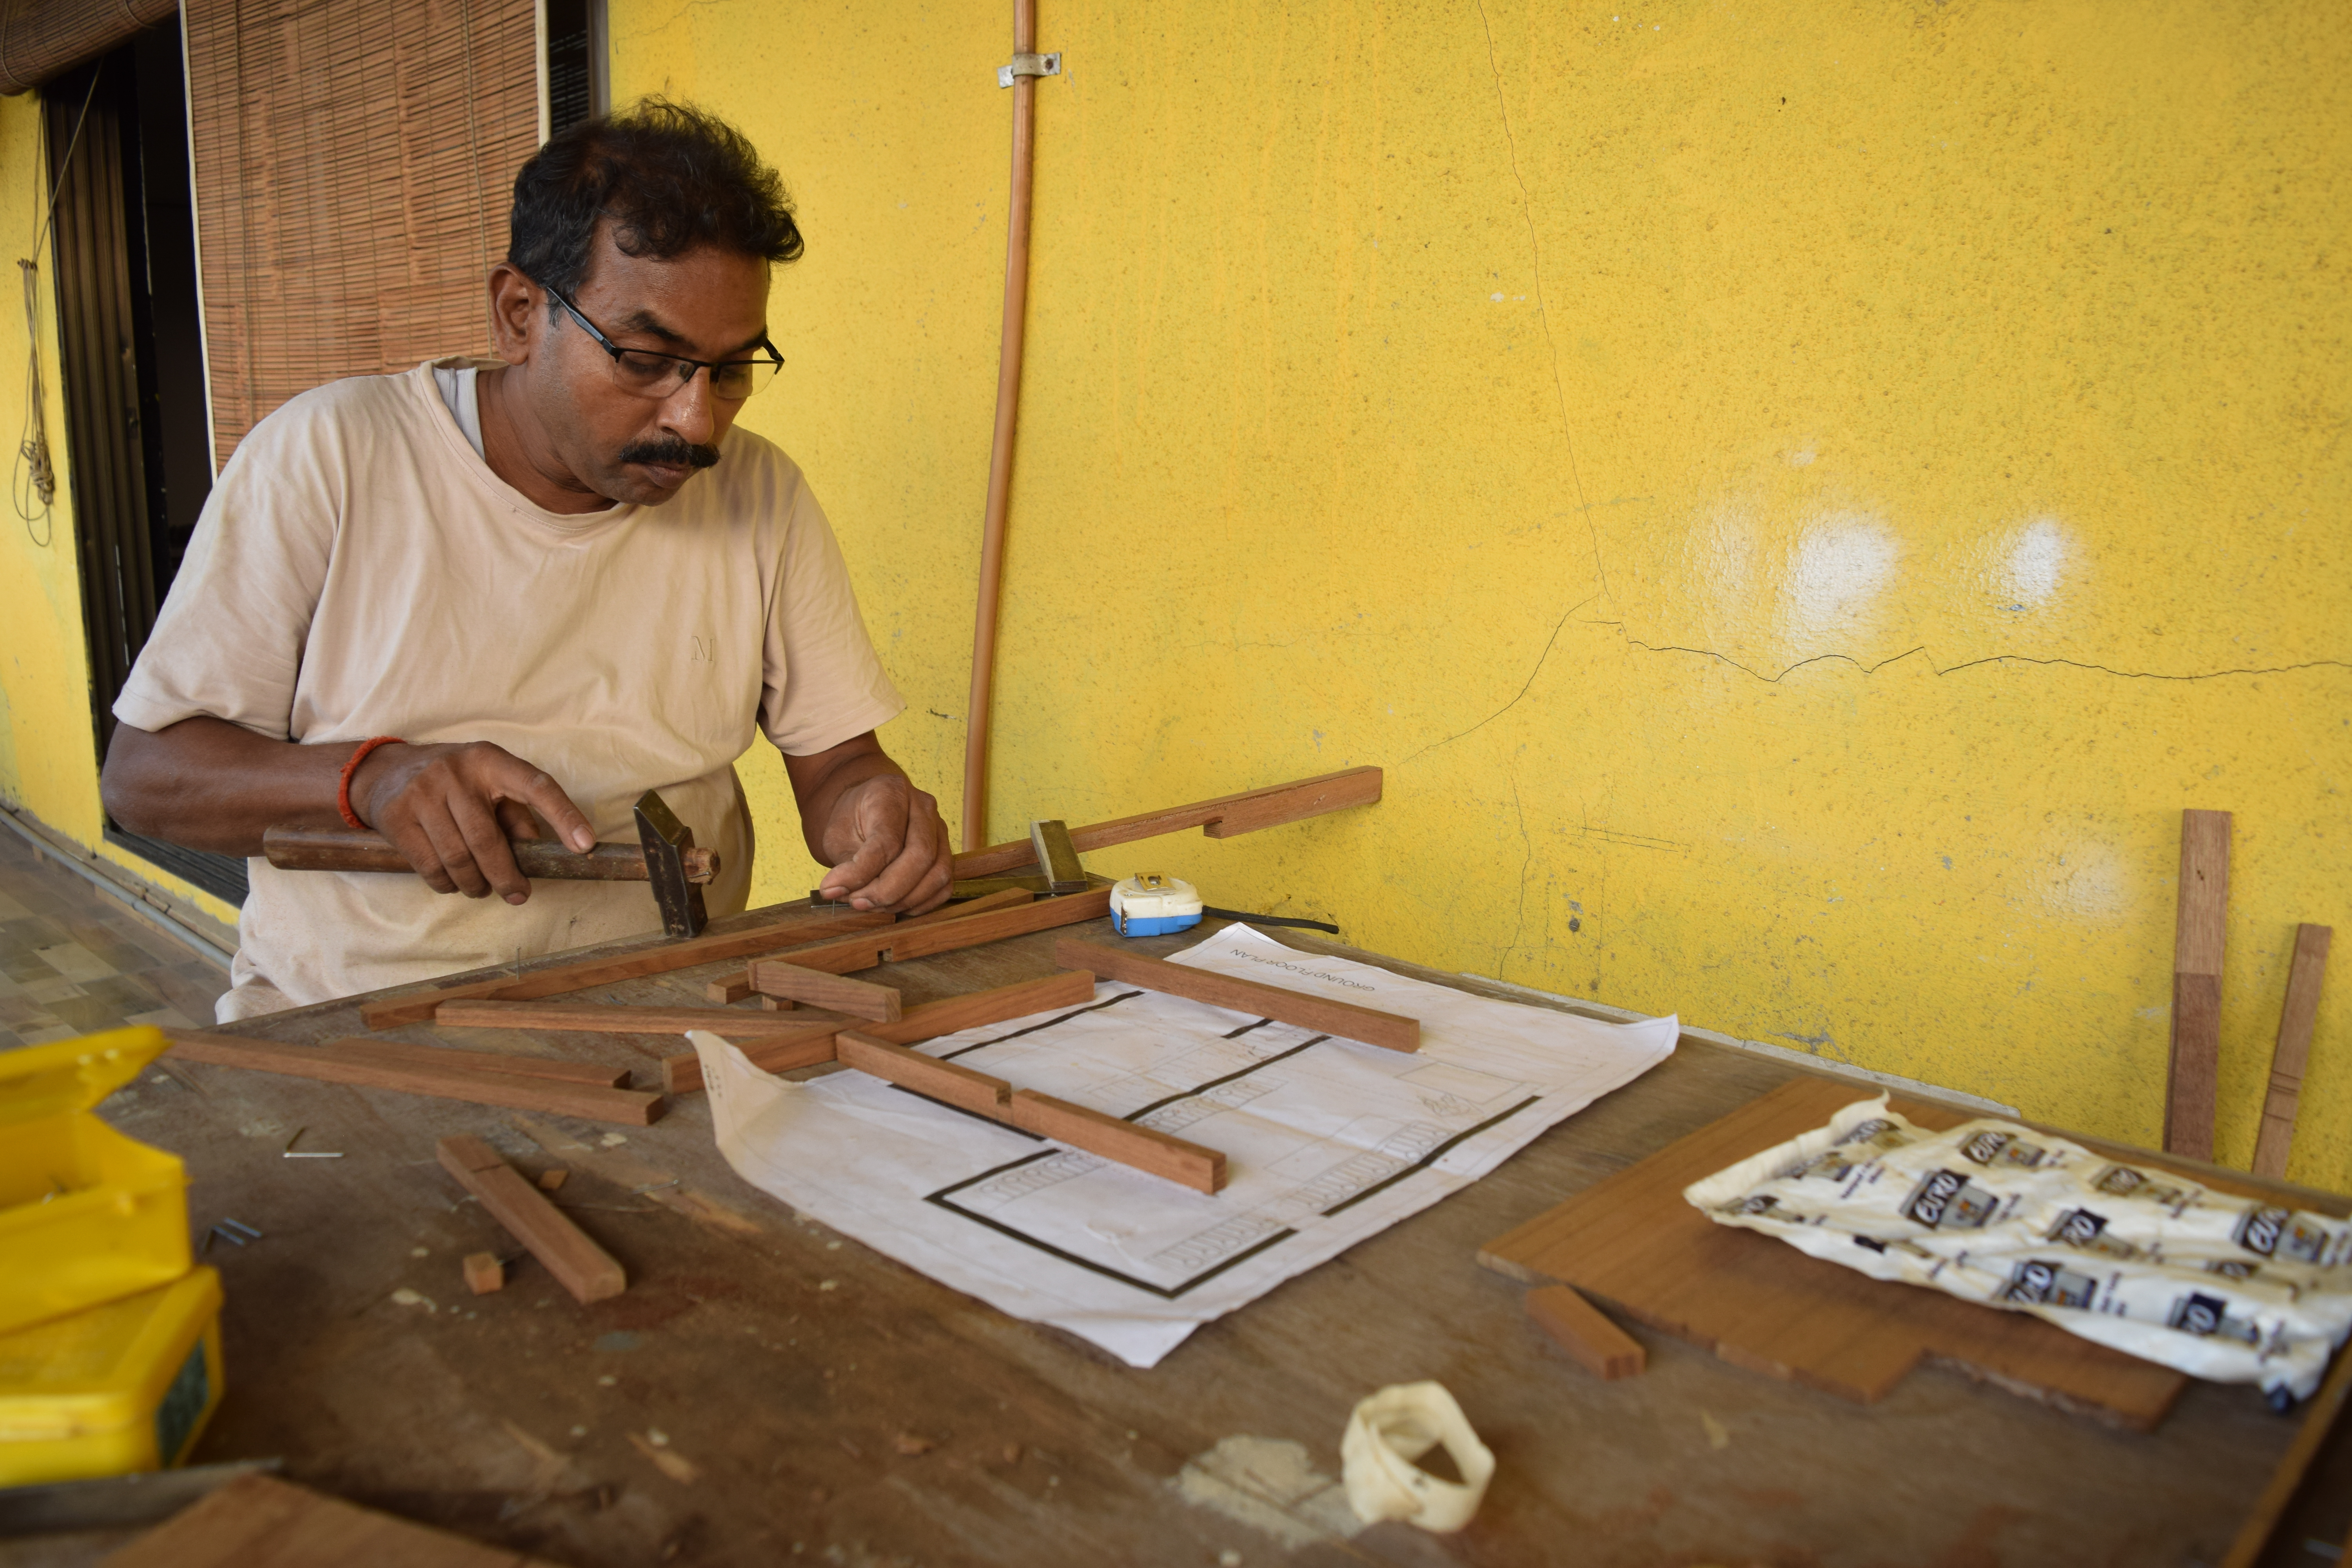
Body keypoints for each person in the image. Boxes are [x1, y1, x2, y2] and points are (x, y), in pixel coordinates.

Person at [100, 100, 953, 1022]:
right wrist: (370, 780)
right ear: (518, 315)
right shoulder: (331, 457)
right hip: (357, 1017)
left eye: (733, 368)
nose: (695, 422)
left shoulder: (759, 492)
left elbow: (838, 769)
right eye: (644, 358)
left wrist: (877, 814)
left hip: (670, 1003)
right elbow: (147, 778)